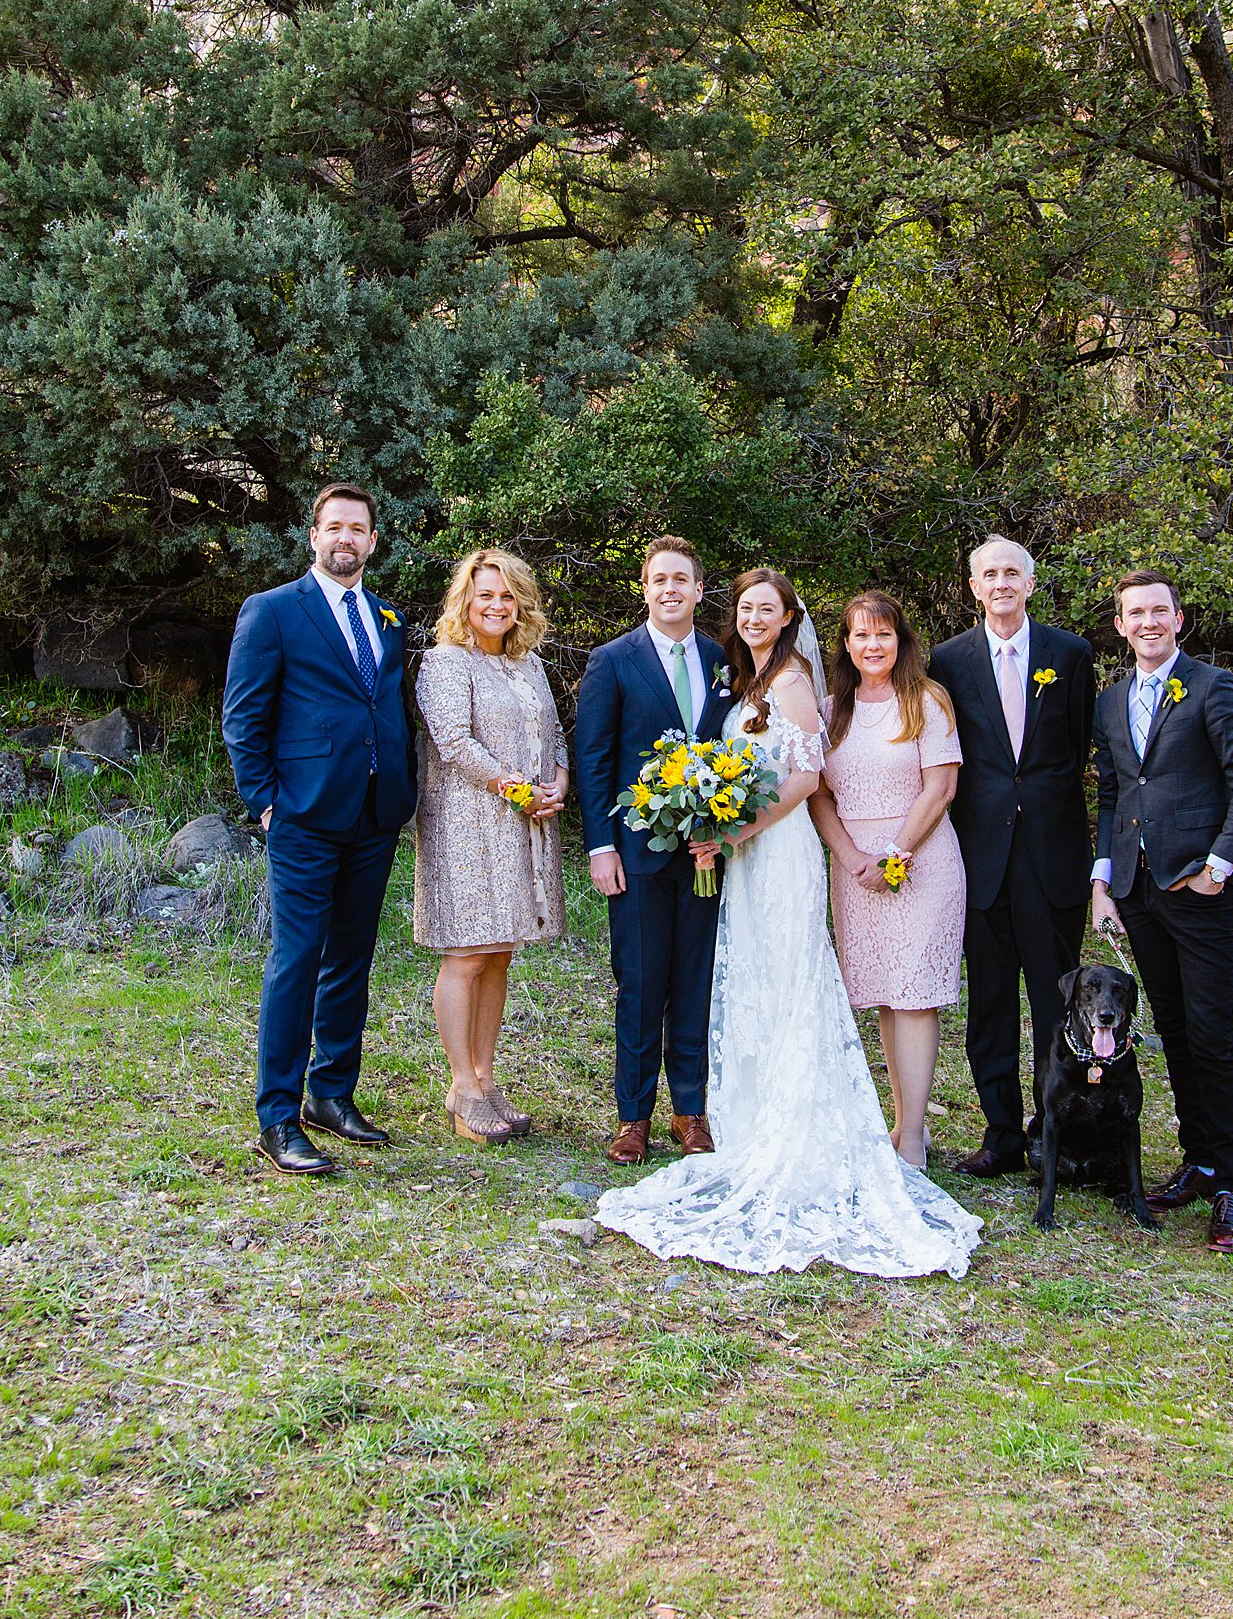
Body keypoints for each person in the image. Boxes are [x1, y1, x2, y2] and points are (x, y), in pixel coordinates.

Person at [597, 568, 981, 1277]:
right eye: (744, 608)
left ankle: (810, 1127)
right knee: (753, 982)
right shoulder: (746, 680)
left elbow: (805, 780)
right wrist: (717, 819)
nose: (752, 618)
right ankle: (751, 1119)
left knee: (790, 978)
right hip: (750, 855)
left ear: (788, 617)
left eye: (766, 609)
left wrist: (739, 830)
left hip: (779, 854)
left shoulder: (794, 682)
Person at [222, 483, 417, 1177]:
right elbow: (243, 716)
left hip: (374, 813)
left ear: (372, 540)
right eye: (334, 526)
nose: (346, 538)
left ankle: (330, 1093)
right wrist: (265, 801)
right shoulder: (273, 612)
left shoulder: (387, 617)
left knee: (352, 959)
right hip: (302, 814)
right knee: (297, 959)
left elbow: (387, 706)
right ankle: (277, 1116)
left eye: (357, 528)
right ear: (313, 536)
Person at [1092, 568, 1233, 1254]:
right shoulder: (1112, 703)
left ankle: (1228, 1186)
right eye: (1134, 613)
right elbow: (1114, 793)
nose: (1147, 622)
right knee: (1170, 1026)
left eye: (1158, 611)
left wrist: (1218, 869)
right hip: (1136, 890)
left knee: (1210, 1032)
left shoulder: (1211, 686)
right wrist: (1104, 878)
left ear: (1178, 618)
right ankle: (1197, 1161)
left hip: (1198, 890)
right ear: (1119, 625)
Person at [927, 537, 1096, 1177]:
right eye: (989, 574)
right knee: (992, 1002)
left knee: (1058, 1002)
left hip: (1052, 854)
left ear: (1030, 582)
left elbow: (1078, 747)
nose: (1001, 583)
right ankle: (1002, 1133)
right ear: (974, 587)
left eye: (1012, 573)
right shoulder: (948, 661)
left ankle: (1059, 1132)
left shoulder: (1070, 655)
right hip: (981, 854)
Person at [572, 536, 734, 1164]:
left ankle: (689, 1112)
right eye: (659, 579)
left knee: (695, 982)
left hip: (704, 854)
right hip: (636, 855)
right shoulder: (614, 660)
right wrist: (600, 846)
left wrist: (720, 830)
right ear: (645, 588)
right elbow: (593, 759)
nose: (671, 589)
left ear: (698, 589)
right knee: (640, 982)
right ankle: (632, 1116)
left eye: (682, 580)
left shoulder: (725, 661)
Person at [414, 548, 568, 1147]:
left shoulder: (528, 665)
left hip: (525, 823)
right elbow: (453, 741)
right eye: (485, 595)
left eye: (507, 595)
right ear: (465, 600)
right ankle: (462, 1088)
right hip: (468, 821)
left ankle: (485, 1075)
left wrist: (556, 782)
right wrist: (515, 788)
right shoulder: (444, 664)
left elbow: (553, 732)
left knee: (500, 954)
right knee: (467, 953)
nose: (497, 605)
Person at [812, 592, 964, 1171]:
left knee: (916, 996)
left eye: (883, 635)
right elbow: (819, 793)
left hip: (921, 863)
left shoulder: (926, 701)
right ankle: (899, 1122)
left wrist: (895, 854)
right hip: (855, 869)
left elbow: (940, 789)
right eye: (860, 636)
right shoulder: (831, 711)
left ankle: (915, 1134)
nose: (871, 646)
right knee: (882, 994)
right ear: (846, 645)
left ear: (900, 641)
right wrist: (851, 856)